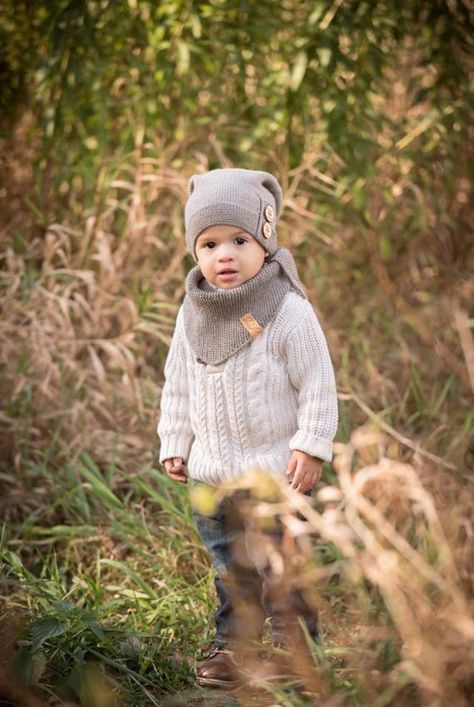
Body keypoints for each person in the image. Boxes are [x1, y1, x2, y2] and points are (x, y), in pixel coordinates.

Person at [157, 168, 338, 687]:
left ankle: (296, 652)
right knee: (230, 569)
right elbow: (179, 382)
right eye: (210, 244)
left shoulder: (286, 310)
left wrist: (310, 444)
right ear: (196, 251)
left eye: (240, 240)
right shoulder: (191, 311)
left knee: (282, 564)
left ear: (265, 240)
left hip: (274, 471)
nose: (225, 255)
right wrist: (176, 439)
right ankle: (233, 649)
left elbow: (318, 383)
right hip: (213, 475)